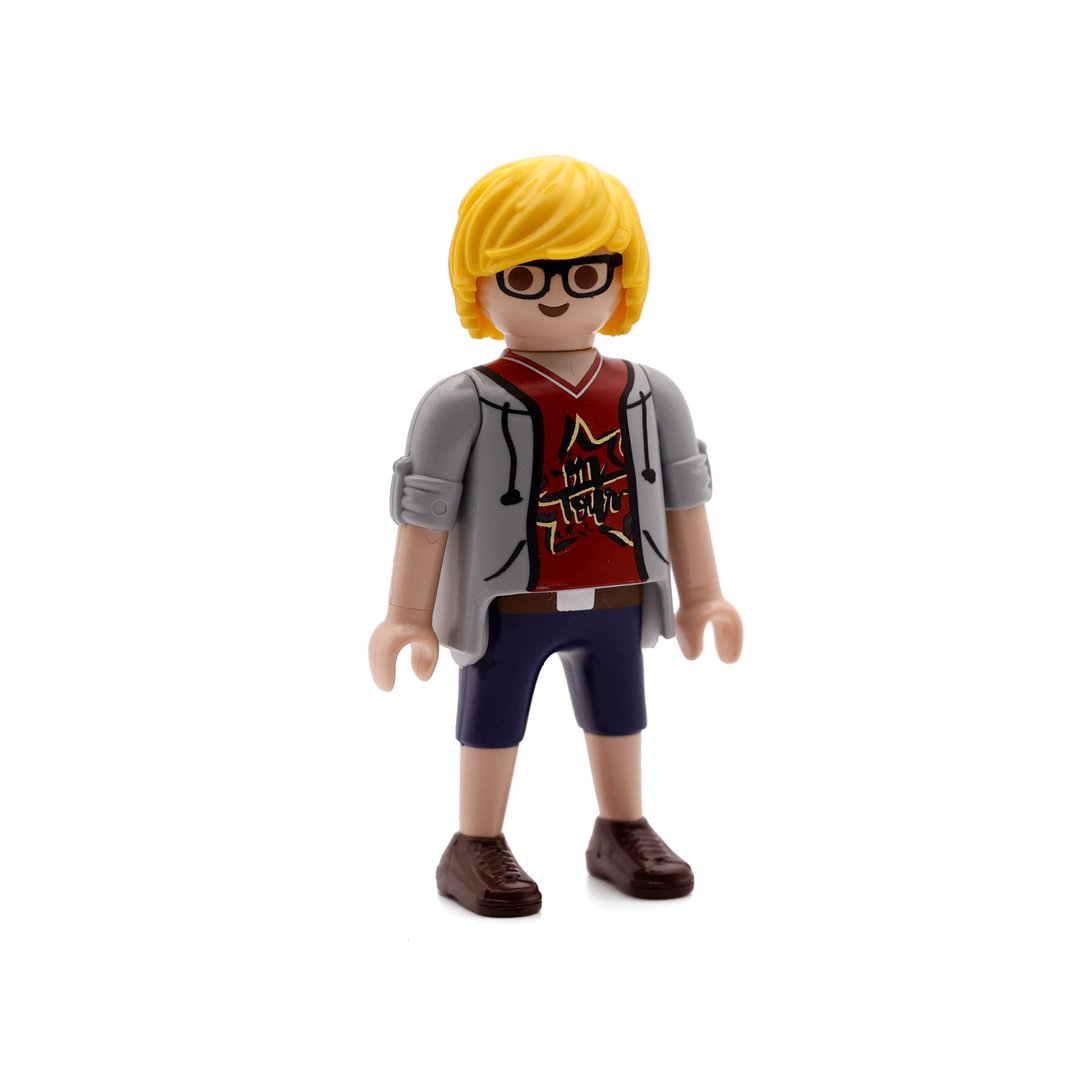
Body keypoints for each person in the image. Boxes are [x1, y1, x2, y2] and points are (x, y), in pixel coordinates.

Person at [369, 155, 742, 917]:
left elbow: (684, 498)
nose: (556, 295)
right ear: (479, 283)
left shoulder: (650, 394)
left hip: (618, 595)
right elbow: (426, 513)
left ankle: (622, 828)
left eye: (585, 273)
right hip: (511, 603)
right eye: (524, 275)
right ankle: (476, 842)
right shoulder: (463, 401)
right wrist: (406, 616)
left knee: (620, 715)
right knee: (492, 723)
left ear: (621, 278)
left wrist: (704, 595)